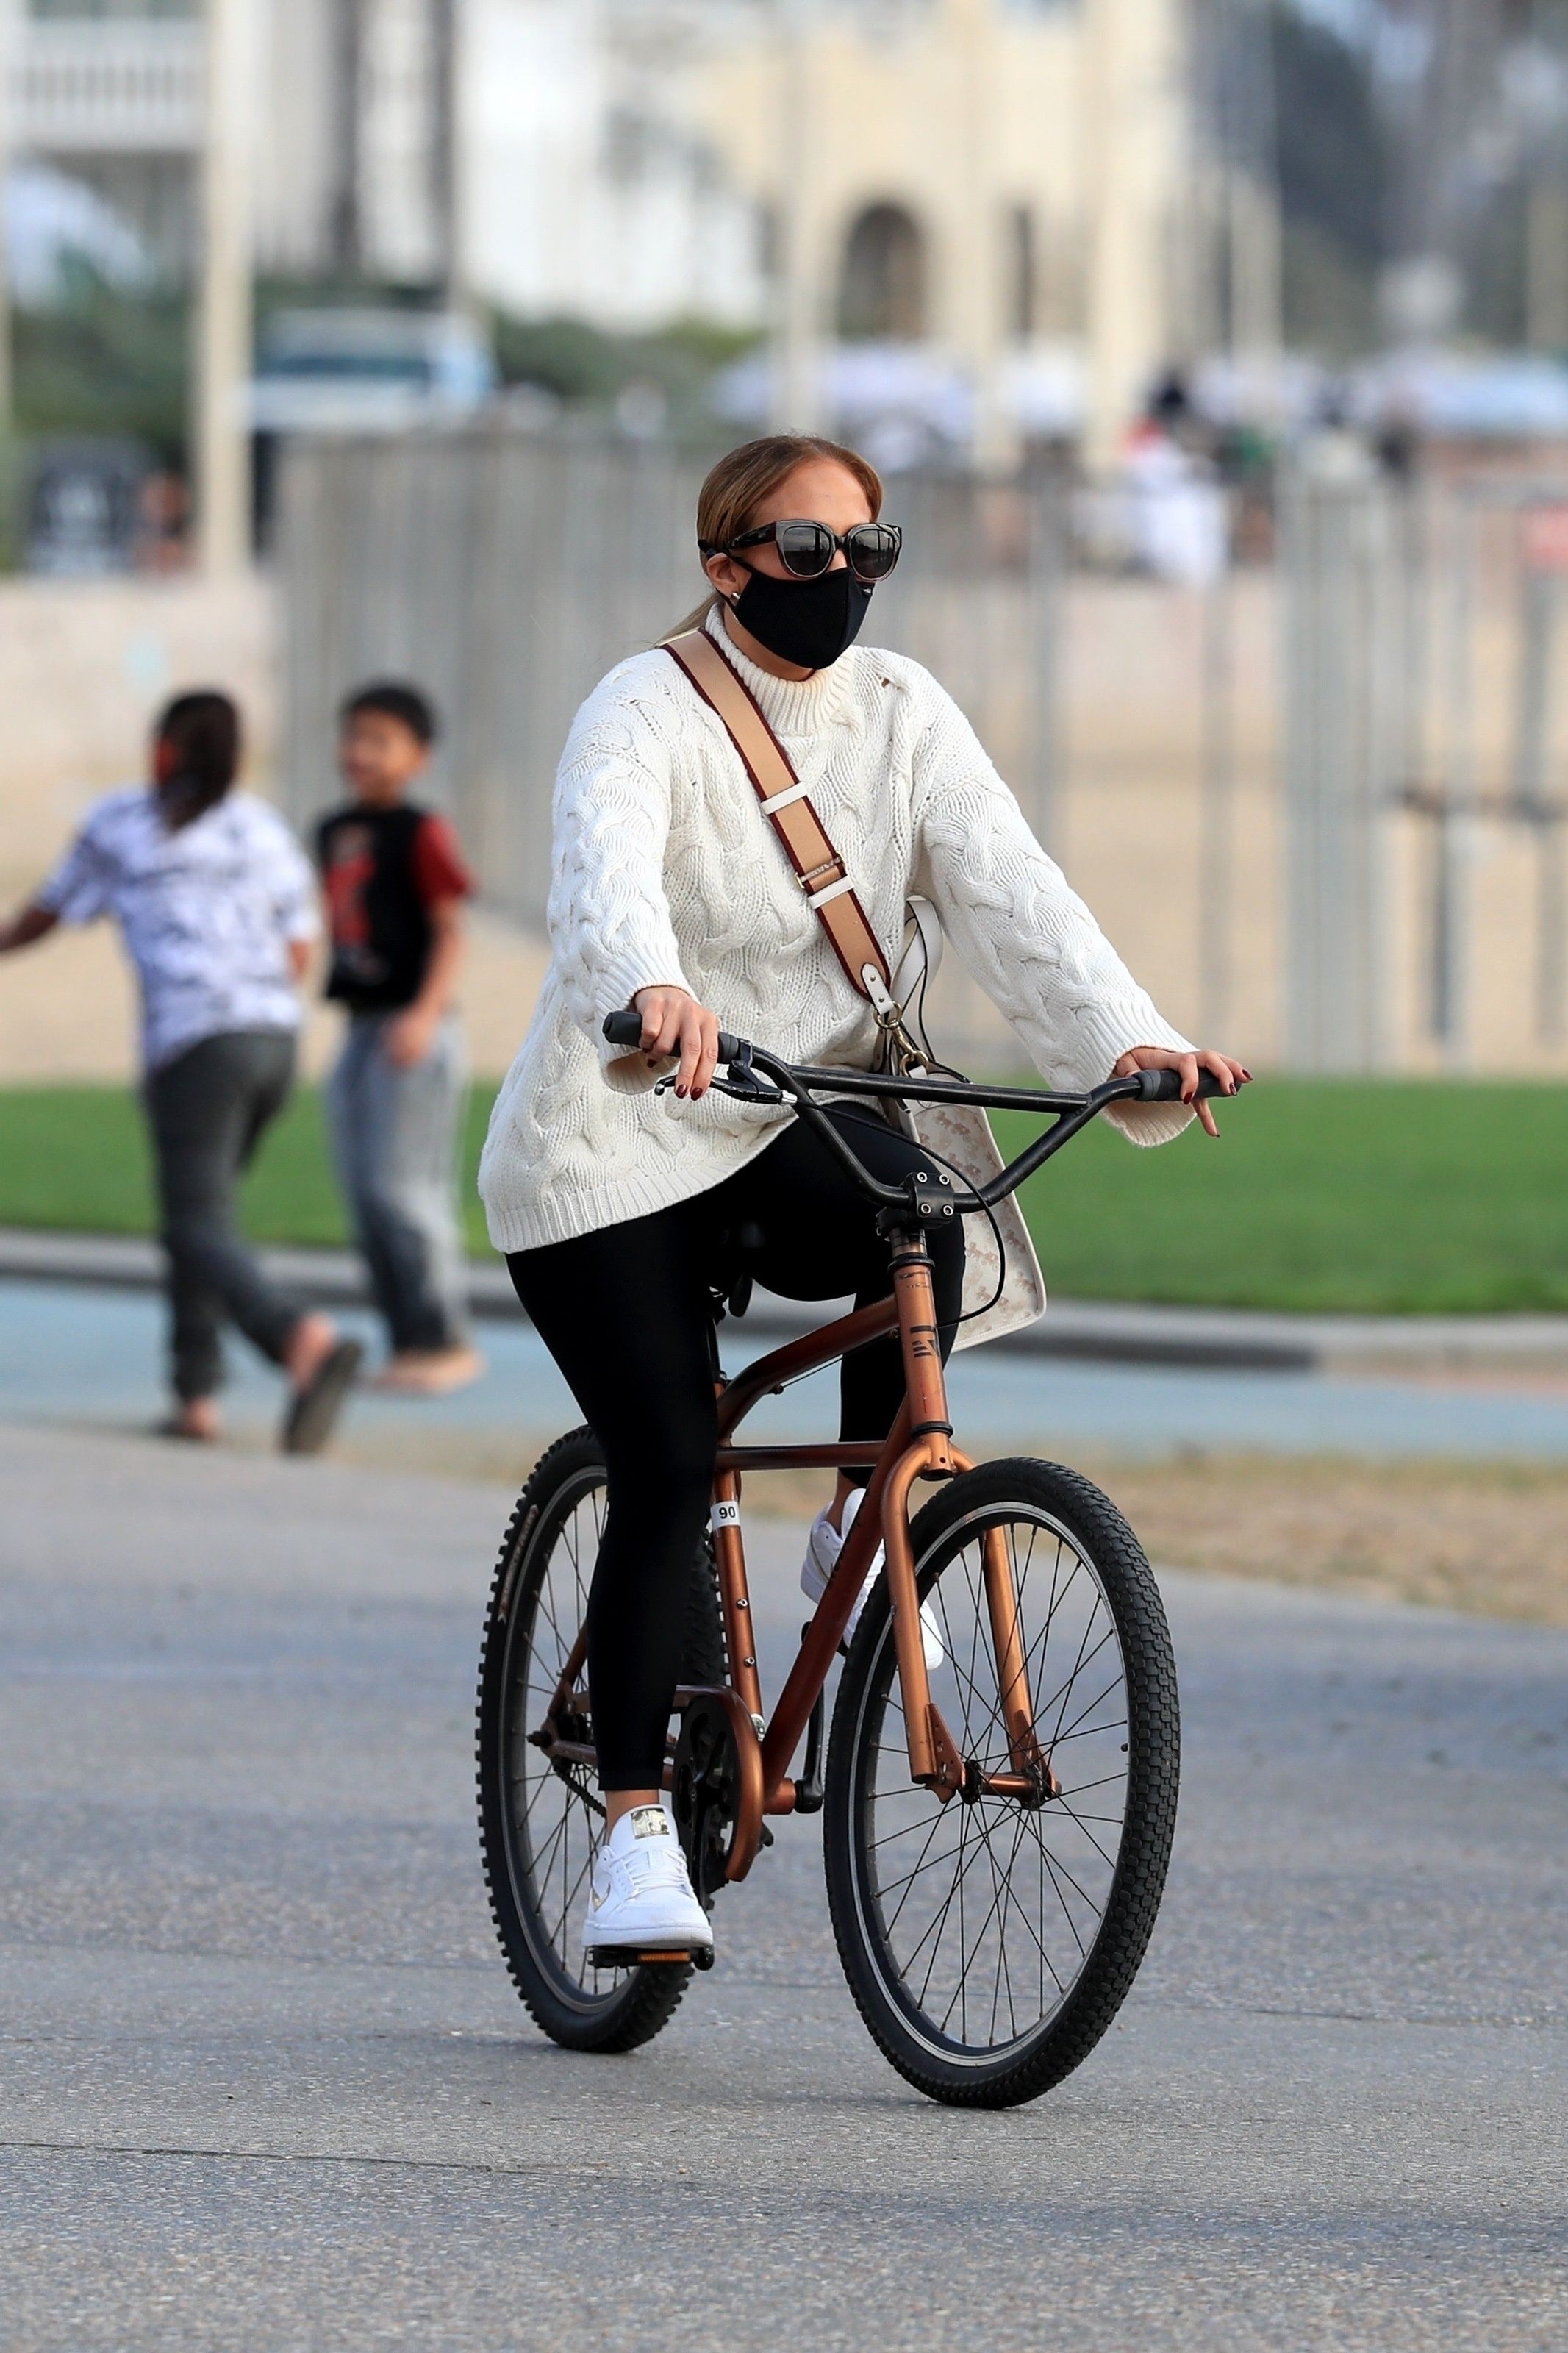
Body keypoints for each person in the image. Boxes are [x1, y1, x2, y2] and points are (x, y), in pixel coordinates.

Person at [478, 433, 1248, 1958]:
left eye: (866, 548)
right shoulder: (642, 708)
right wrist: (650, 991)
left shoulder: (903, 713)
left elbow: (1011, 889)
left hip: (794, 1119)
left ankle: (858, 1520)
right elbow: (600, 875)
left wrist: (1130, 1045)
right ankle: (634, 1828)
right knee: (667, 1455)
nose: (842, 578)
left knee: (938, 1214)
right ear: (725, 565)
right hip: (619, 1138)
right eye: (806, 550)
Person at [0, 690, 362, 1452]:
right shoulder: (261, 827)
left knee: (196, 1222)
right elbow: (300, 947)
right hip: (273, 1041)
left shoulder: (119, 823)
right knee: (205, 1216)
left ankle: (299, 1338)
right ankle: (195, 1397)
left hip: (195, 1045)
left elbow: (48, 910)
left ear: (166, 750)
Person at [317, 682, 482, 1394]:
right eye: (354, 736)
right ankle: (407, 1338)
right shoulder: (331, 830)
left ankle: (445, 1337)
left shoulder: (421, 830)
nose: (361, 753)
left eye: (380, 740)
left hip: (412, 1026)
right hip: (357, 1027)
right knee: (361, 1189)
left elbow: (450, 931)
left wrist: (423, 1014)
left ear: (418, 756)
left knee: (406, 1188)